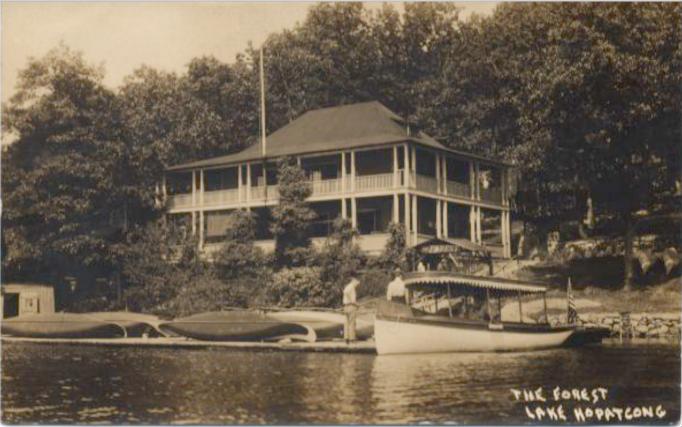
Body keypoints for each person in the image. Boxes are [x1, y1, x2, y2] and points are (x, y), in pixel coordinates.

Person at [342, 277, 360, 344]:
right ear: (354, 281)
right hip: (351, 306)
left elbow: (345, 293)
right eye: (357, 283)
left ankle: (346, 338)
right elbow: (353, 300)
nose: (357, 285)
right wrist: (357, 305)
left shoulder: (347, 287)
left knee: (346, 323)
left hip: (345, 306)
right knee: (352, 323)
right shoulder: (352, 288)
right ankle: (352, 339)